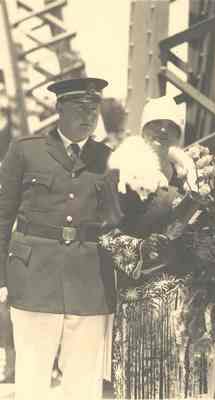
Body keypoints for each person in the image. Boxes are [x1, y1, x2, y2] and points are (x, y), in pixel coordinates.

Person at [0, 77, 117, 400]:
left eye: (93, 109)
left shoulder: (108, 158)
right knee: (33, 379)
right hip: (34, 277)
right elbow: (2, 216)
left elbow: (119, 220)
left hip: (88, 281)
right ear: (59, 109)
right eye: (80, 108)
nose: (88, 116)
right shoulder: (26, 151)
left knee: (84, 382)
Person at [99, 96, 204, 399]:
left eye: (171, 125)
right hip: (141, 300)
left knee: (181, 385)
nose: (163, 130)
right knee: (140, 386)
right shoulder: (123, 174)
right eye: (155, 124)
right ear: (143, 129)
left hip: (185, 301)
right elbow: (105, 234)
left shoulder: (189, 176)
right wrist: (143, 249)